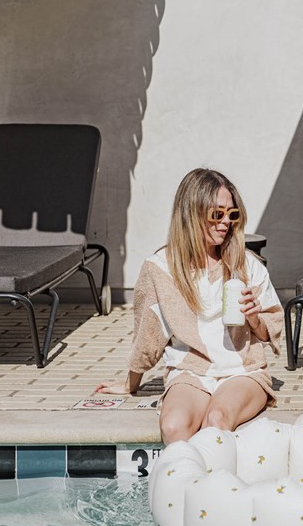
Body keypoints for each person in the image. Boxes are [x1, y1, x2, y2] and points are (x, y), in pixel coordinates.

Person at [97, 169, 283, 443]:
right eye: (216, 214)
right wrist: (131, 383)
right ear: (191, 213)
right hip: (190, 370)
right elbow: (148, 335)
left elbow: (272, 329)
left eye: (232, 215)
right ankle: (179, 485)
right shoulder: (160, 269)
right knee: (174, 425)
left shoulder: (247, 264)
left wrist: (254, 319)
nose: (225, 223)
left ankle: (214, 485)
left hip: (242, 371)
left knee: (217, 420)